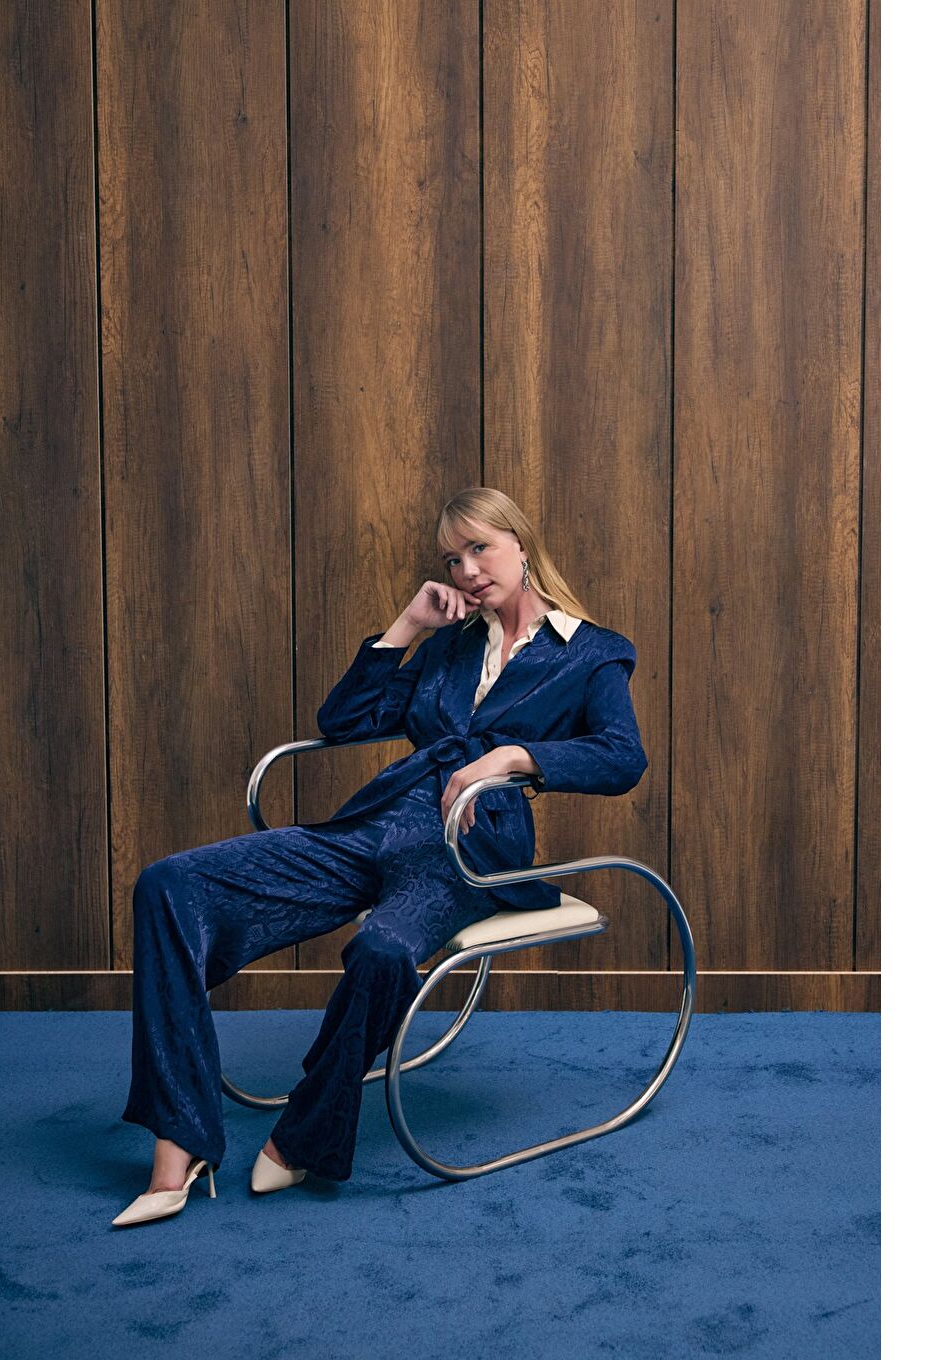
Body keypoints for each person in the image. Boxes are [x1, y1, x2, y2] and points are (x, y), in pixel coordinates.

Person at [112, 487, 647, 1226]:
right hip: (374, 824)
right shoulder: (451, 645)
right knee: (170, 884)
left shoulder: (590, 651)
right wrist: (408, 624)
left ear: (522, 546)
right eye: (453, 559)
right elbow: (344, 720)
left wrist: (512, 757)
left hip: (468, 847)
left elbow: (622, 756)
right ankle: (179, 1140)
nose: (467, 571)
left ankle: (310, 1127)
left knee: (383, 951)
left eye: (481, 549)